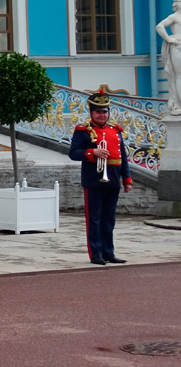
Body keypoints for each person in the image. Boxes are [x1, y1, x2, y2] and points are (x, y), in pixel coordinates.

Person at [68, 91, 132, 265]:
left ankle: (108, 252)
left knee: (109, 219)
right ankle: (96, 254)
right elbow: (73, 153)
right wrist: (92, 152)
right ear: (91, 113)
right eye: (98, 112)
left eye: (105, 112)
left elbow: (122, 157)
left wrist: (127, 179)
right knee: (94, 220)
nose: (102, 115)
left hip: (113, 179)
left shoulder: (115, 130)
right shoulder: (83, 131)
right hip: (94, 180)